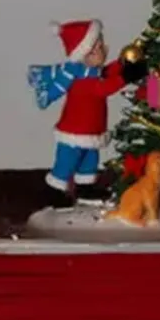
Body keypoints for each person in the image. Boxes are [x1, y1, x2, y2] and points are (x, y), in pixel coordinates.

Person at [27, 19, 143, 207]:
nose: (103, 50)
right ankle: (54, 190)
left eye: (101, 45)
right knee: (67, 162)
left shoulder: (93, 72)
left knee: (89, 160)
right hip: (74, 131)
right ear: (83, 55)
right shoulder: (81, 78)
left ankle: (85, 188)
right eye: (96, 49)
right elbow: (103, 88)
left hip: (91, 130)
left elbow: (107, 72)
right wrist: (126, 77)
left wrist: (123, 65)